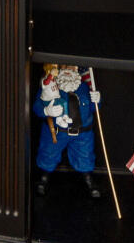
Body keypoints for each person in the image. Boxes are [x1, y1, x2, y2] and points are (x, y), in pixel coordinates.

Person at [34, 65, 101, 198]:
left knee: (85, 157)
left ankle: (88, 177)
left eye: (73, 67)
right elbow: (37, 106)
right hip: (57, 132)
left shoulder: (85, 87)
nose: (69, 70)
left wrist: (97, 100)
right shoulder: (50, 85)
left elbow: (93, 109)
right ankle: (44, 177)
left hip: (82, 133)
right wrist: (46, 111)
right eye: (65, 66)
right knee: (48, 154)